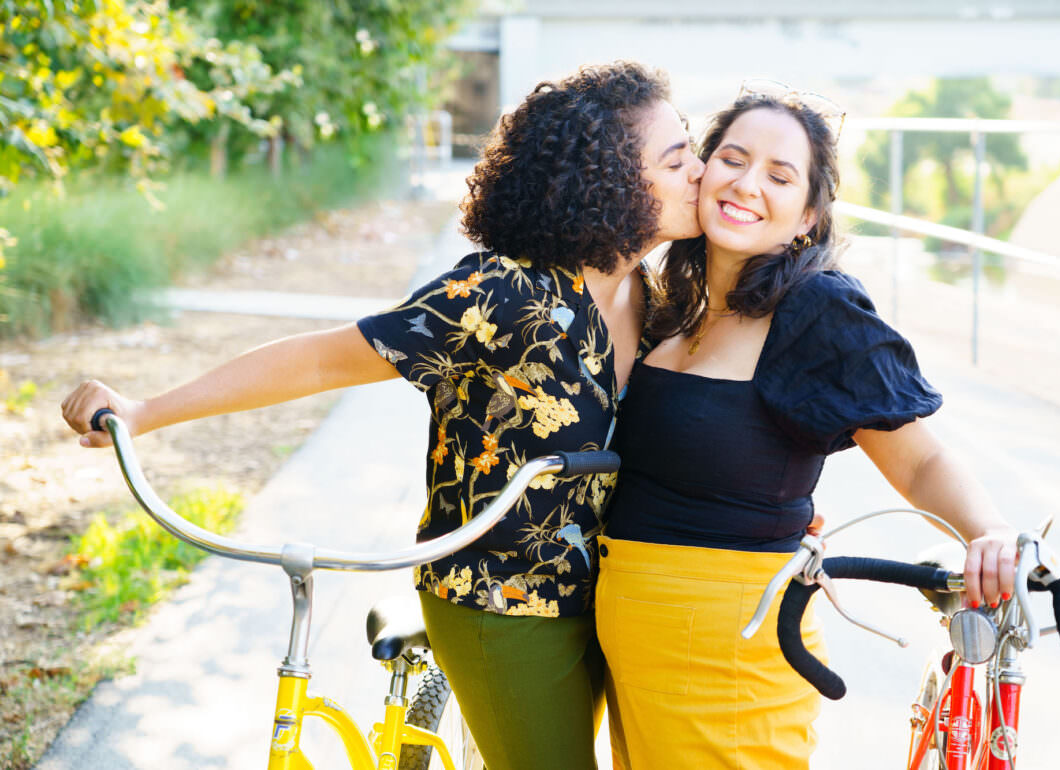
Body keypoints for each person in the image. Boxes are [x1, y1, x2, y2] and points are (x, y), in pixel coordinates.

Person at [60, 61, 705, 770]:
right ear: (607, 179)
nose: (700, 172)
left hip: (616, 596)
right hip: (501, 602)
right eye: (677, 160)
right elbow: (321, 360)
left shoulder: (655, 298)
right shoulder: (503, 292)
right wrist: (145, 411)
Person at [594, 86, 1018, 769]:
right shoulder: (674, 304)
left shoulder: (816, 308)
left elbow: (916, 460)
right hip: (632, 638)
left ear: (807, 217)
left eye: (779, 175)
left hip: (727, 652)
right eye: (730, 159)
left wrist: (988, 530)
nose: (746, 183)